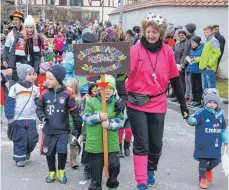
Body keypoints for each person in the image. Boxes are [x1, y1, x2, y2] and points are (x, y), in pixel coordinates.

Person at [125, 13, 189, 190]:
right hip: (136, 103)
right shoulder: (135, 50)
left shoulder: (167, 51)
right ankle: (141, 180)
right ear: (144, 31)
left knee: (155, 144)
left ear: (161, 33)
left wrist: (183, 104)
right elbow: (121, 74)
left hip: (158, 102)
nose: (151, 35)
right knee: (141, 143)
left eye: (155, 32)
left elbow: (175, 79)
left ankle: (151, 169)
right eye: (149, 31)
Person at [35, 64, 82, 184]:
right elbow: (39, 108)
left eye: (50, 79)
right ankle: (51, 171)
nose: (47, 81)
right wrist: (42, 117)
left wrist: (78, 127)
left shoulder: (67, 94)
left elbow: (74, 111)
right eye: (46, 78)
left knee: (62, 151)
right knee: (49, 152)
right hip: (48, 129)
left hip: (62, 129)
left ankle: (61, 171)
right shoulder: (44, 93)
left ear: (59, 79)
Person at [82, 75, 124, 190]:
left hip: (111, 143)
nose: (108, 90)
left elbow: (121, 121)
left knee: (114, 165)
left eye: (111, 88)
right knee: (96, 172)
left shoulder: (116, 104)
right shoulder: (91, 102)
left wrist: (110, 124)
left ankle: (112, 184)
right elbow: (85, 117)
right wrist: (98, 116)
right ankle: (96, 186)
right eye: (106, 87)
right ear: (100, 88)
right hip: (95, 144)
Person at [184, 88, 228, 189]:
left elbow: (223, 129)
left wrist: (226, 140)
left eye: (214, 102)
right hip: (203, 144)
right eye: (209, 102)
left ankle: (208, 170)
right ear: (205, 102)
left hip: (215, 144)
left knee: (216, 161)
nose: (212, 104)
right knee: (203, 161)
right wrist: (187, 118)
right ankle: (202, 179)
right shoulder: (201, 112)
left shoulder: (220, 115)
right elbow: (193, 121)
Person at [4, 63, 39, 167]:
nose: (32, 76)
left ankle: (27, 150)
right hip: (18, 119)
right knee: (20, 138)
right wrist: (10, 117)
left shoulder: (35, 89)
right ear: (23, 76)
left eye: (33, 74)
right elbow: (9, 103)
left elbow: (39, 102)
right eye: (29, 74)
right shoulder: (15, 88)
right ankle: (19, 158)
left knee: (32, 138)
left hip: (31, 119)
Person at [8, 15, 43, 86]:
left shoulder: (37, 38)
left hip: (31, 66)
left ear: (34, 27)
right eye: (27, 27)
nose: (29, 29)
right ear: (24, 27)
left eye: (31, 27)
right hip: (19, 66)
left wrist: (35, 70)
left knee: (31, 90)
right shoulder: (20, 36)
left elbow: (37, 56)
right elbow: (13, 52)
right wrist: (10, 67)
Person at [80, 82, 99, 180]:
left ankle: (96, 169)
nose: (95, 89)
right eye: (93, 87)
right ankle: (87, 167)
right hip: (87, 125)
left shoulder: (100, 98)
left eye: (97, 87)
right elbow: (81, 111)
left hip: (98, 125)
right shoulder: (85, 98)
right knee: (87, 146)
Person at [195, 25, 221, 91]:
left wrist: (209, 65)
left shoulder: (214, 41)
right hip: (204, 67)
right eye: (204, 32)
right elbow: (205, 56)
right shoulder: (206, 42)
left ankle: (212, 101)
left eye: (207, 32)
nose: (205, 34)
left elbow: (217, 53)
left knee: (211, 87)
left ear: (211, 32)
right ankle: (206, 100)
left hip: (209, 68)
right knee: (205, 87)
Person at [66, 78, 82, 169]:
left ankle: (73, 161)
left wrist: (79, 125)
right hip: (64, 124)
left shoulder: (78, 100)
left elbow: (80, 113)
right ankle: (63, 157)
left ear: (75, 88)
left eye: (70, 87)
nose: (68, 88)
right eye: (67, 86)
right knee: (63, 142)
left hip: (74, 125)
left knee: (73, 143)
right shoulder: (63, 98)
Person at [186, 36, 204, 107]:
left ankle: (198, 100)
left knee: (198, 86)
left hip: (199, 71)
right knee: (193, 86)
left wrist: (196, 59)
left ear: (198, 43)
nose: (192, 45)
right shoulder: (191, 50)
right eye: (191, 43)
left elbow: (202, 59)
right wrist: (188, 68)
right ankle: (194, 100)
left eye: (194, 43)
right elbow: (190, 59)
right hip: (192, 70)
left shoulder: (201, 50)